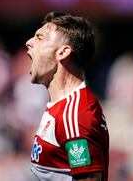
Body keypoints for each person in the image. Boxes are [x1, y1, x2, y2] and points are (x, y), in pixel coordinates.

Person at [26, 11, 109, 181]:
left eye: (40, 38)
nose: (29, 42)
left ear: (62, 52)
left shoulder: (75, 115)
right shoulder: (61, 106)